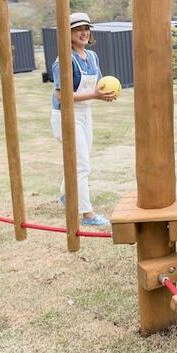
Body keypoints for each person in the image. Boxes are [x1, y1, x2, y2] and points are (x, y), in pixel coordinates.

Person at [50, 12, 117, 226]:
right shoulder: (63, 60)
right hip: (66, 115)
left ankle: (66, 195)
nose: (84, 33)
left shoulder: (92, 56)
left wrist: (106, 93)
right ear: (68, 34)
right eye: (78, 29)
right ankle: (88, 215)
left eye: (86, 28)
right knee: (82, 165)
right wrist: (95, 95)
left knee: (81, 159)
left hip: (84, 113)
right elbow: (62, 95)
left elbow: (98, 85)